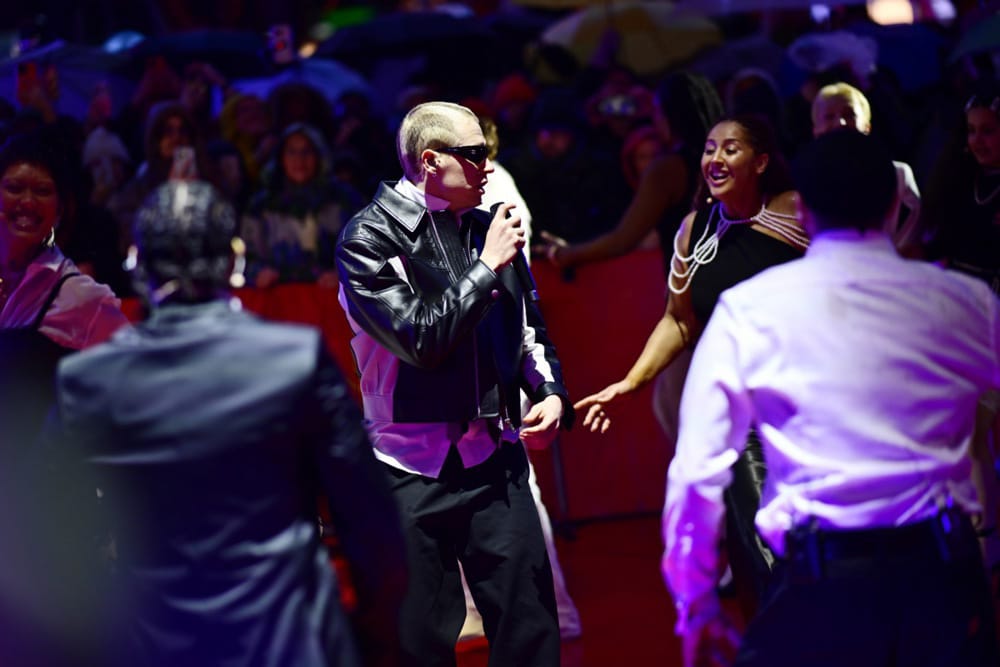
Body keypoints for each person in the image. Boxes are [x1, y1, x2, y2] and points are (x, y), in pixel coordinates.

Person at [663, 129, 999, 667]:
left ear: (805, 211)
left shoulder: (750, 311)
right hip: (942, 577)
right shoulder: (962, 301)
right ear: (894, 204)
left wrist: (696, 599)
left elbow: (697, 469)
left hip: (823, 579)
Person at [50, 180, 408, 667]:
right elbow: (370, 523)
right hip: (285, 641)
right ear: (234, 261)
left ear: (137, 263)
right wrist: (373, 642)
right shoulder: (295, 360)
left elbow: (43, 535)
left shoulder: (87, 382)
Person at [335, 101, 572, 666]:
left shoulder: (489, 226)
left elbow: (529, 329)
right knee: (418, 647)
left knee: (532, 633)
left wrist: (548, 392)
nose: (488, 166)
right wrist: (486, 268)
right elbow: (421, 338)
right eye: (474, 154)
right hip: (405, 466)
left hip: (494, 455)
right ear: (429, 161)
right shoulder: (367, 239)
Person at [575, 114, 808, 620]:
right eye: (708, 149)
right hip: (739, 412)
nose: (715, 160)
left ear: (761, 162)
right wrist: (630, 384)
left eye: (730, 149)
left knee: (817, 542)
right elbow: (679, 320)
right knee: (756, 549)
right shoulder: (694, 230)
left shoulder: (796, 213)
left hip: (806, 408)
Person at [0, 127, 129, 665]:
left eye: (42, 191)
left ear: (61, 207)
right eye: (13, 187)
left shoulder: (82, 297)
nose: (26, 202)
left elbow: (132, 397)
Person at [240, 122, 361, 288]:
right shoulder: (261, 205)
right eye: (292, 152)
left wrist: (343, 273)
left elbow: (365, 253)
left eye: (307, 151)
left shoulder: (345, 199)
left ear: (319, 156)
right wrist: (257, 273)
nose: (299, 159)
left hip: (331, 297)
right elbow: (246, 258)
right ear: (281, 158)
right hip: (276, 296)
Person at [811, 82, 922, 255]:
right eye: (829, 116)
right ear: (816, 130)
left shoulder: (897, 175)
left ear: (867, 127)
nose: (840, 123)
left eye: (850, 115)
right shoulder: (807, 182)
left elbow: (912, 237)